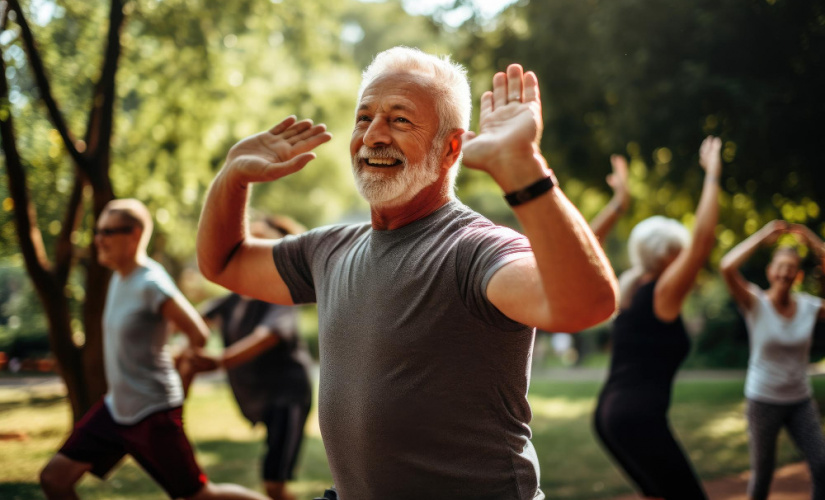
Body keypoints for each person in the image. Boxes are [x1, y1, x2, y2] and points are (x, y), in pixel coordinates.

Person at [197, 46, 618, 499]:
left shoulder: (473, 248)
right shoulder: (331, 249)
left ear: (450, 148)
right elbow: (224, 261)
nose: (373, 136)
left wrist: (523, 170)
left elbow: (586, 304)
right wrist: (232, 177)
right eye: (363, 118)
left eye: (399, 120)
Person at [39, 199, 267, 500]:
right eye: (98, 231)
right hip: (115, 408)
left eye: (108, 232)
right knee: (55, 477)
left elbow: (197, 332)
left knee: (199, 495)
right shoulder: (119, 277)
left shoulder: (151, 283)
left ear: (134, 235)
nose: (99, 240)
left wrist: (181, 371)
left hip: (151, 411)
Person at [593, 136, 723, 499]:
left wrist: (620, 204)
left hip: (608, 416)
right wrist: (712, 176)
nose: (689, 265)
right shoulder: (661, 293)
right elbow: (703, 242)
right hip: (636, 418)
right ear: (668, 258)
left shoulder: (629, 291)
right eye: (680, 256)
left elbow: (585, 246)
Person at [184, 216, 313, 500]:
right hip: (263, 399)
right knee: (272, 483)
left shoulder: (283, 294)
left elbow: (267, 336)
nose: (249, 247)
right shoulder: (236, 297)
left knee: (273, 484)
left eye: (259, 239)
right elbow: (191, 321)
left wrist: (219, 361)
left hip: (288, 397)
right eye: (246, 239)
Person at [720, 220, 825, 499]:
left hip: (800, 400)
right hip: (763, 399)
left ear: (798, 275)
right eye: (780, 266)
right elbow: (726, 267)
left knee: (822, 464)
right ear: (769, 271)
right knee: (763, 474)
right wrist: (763, 235)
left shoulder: (810, 307)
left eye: (791, 268)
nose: (785, 272)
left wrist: (814, 243)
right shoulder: (755, 304)